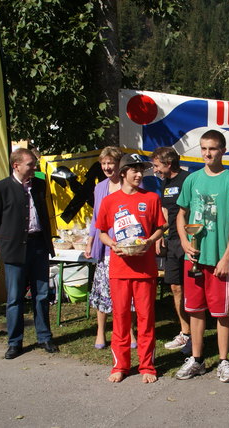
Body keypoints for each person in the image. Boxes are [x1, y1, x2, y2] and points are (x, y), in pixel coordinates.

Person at [174, 129, 229, 383]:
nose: (207, 153)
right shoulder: (192, 179)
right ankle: (196, 359)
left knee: (222, 313)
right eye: (204, 148)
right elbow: (181, 214)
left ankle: (224, 361)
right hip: (194, 259)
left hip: (220, 260)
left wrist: (226, 258)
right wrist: (184, 241)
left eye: (213, 148)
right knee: (195, 310)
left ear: (223, 151)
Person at [95, 153, 165, 383]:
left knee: (146, 319)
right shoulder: (109, 201)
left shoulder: (152, 198)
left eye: (141, 170)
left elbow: (160, 227)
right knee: (121, 319)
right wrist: (112, 244)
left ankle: (147, 366)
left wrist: (150, 241)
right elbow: (102, 232)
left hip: (145, 270)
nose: (138, 174)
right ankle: (120, 366)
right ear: (123, 173)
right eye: (134, 170)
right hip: (119, 269)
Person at [0, 148, 58, 359]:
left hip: (38, 245)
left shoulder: (39, 185)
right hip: (15, 249)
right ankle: (15, 342)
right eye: (30, 164)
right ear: (16, 165)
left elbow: (44, 214)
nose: (34, 167)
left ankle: (44, 336)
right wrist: (5, 248)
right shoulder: (0, 188)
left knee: (42, 294)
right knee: (15, 297)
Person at [84, 147, 137, 349]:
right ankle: (100, 332)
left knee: (128, 293)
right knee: (103, 290)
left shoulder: (130, 185)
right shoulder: (100, 188)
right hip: (105, 248)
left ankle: (130, 331)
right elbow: (96, 218)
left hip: (127, 247)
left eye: (110, 163)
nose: (106, 167)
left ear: (119, 165)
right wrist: (90, 240)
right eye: (103, 163)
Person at [151, 147, 192, 352]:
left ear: (168, 164)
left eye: (157, 166)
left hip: (189, 241)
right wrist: (160, 233)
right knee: (175, 287)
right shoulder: (165, 182)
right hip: (173, 241)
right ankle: (185, 332)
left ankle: (196, 335)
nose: (155, 170)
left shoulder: (188, 179)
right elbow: (166, 211)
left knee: (192, 288)